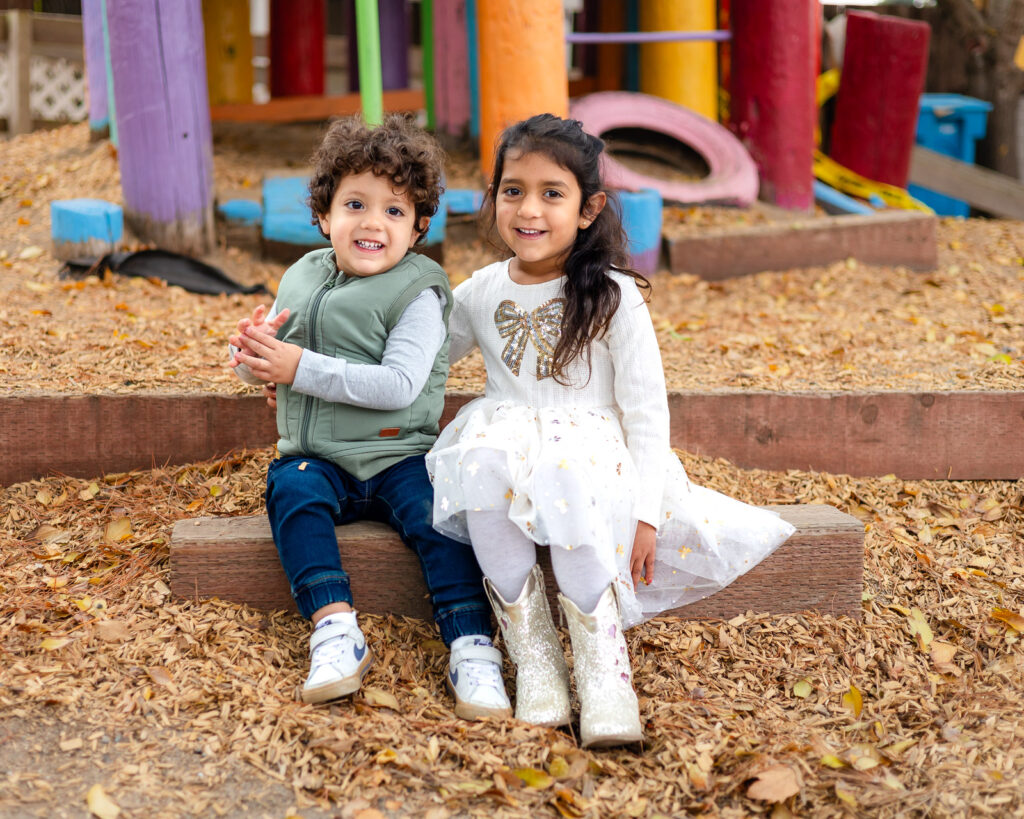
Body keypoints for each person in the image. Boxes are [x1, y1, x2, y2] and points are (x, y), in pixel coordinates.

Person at [425, 114, 795, 748]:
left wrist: (646, 515)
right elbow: (423, 360)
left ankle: (602, 667)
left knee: (561, 470)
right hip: (504, 431)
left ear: (589, 207)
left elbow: (648, 413)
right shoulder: (479, 292)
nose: (529, 209)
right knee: (478, 462)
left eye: (552, 193)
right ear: (492, 199)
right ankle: (535, 655)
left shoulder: (614, 296)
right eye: (512, 190)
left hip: (592, 451)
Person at [228, 114, 511, 720]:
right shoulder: (302, 275)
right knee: (291, 492)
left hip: (397, 453)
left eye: (394, 210)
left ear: (418, 228)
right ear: (325, 216)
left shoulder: (419, 292)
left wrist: (298, 366)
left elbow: (400, 383)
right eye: (355, 203)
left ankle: (470, 643)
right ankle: (335, 629)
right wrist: (251, 354)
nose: (372, 222)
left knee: (440, 523)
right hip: (317, 455)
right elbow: (268, 365)